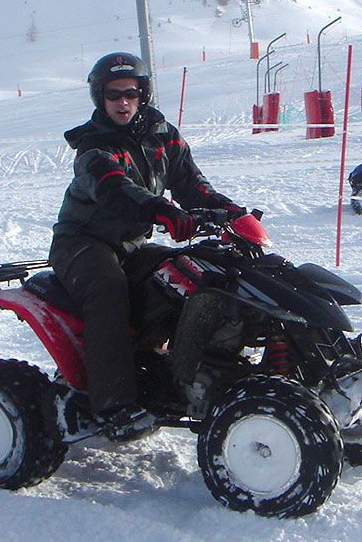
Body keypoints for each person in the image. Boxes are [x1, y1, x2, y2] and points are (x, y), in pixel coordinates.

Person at [48, 52, 244, 429]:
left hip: (132, 244)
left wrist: (232, 211)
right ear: (100, 98)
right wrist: (163, 211)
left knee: (191, 275)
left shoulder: (162, 135)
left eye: (131, 93)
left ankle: (178, 374)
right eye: (113, 94)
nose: (123, 102)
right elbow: (114, 189)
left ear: (143, 94)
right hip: (83, 243)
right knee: (108, 289)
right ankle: (112, 406)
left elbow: (192, 185)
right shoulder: (93, 147)